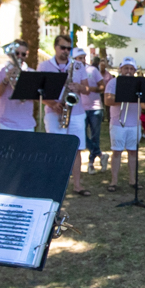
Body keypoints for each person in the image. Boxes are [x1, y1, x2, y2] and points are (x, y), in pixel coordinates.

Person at [45, 44, 92, 197]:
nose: (65, 51)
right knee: (57, 149)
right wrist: (53, 104)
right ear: (55, 48)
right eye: (62, 47)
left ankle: (77, 185)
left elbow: (87, 90)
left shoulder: (78, 65)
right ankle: (55, 184)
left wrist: (79, 87)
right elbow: (40, 92)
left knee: (77, 149)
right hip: (55, 112)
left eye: (68, 48)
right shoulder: (45, 65)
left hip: (76, 112)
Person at [105, 57, 141, 191]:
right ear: (121, 69)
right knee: (116, 152)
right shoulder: (113, 82)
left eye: (131, 69)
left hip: (135, 123)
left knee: (133, 152)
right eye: (126, 68)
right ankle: (114, 181)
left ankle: (133, 180)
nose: (129, 71)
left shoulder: (139, 83)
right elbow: (108, 101)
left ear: (135, 71)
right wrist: (125, 96)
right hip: (118, 122)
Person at [0, 39, 35, 131]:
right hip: (5, 123)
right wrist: (6, 80)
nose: (19, 57)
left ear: (27, 54)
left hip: (27, 124)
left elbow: (36, 97)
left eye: (23, 54)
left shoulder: (31, 73)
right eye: (17, 53)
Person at [82, 54, 107, 175]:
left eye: (82, 58)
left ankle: (91, 164)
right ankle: (101, 155)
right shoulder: (72, 72)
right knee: (82, 135)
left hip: (95, 107)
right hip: (80, 108)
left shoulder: (92, 70)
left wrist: (91, 89)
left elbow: (102, 86)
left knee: (94, 136)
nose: (80, 60)